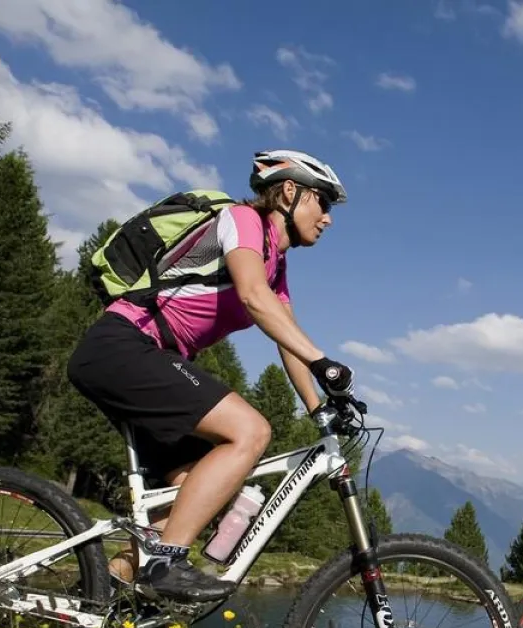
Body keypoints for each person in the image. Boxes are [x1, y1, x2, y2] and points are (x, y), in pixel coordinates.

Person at [67, 149, 355, 603]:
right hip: (124, 345)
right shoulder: (242, 221)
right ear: (289, 191)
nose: (328, 218)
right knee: (250, 431)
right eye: (323, 202)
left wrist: (320, 408)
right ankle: (166, 564)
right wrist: (327, 363)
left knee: (186, 493)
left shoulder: (275, 265)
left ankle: (99, 595)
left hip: (144, 357)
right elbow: (254, 299)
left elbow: (287, 337)